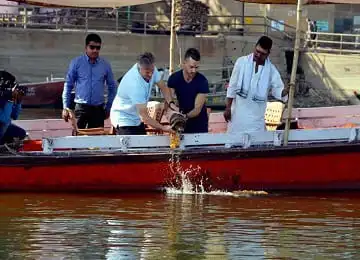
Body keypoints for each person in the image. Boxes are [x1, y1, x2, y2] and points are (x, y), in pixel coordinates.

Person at [224, 36, 289, 134]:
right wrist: (228, 108)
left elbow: (278, 91)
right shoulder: (241, 62)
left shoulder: (271, 70)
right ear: (255, 47)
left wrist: (287, 90)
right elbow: (232, 86)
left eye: (262, 54)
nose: (258, 55)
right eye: (257, 51)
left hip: (256, 121)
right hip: (237, 117)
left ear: (268, 54)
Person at [110, 52, 178, 135]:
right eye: (147, 72)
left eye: (152, 71)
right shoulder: (135, 84)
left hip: (136, 118)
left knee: (144, 144)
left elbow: (163, 87)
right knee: (134, 146)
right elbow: (145, 117)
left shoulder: (151, 68)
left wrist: (171, 103)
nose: (150, 75)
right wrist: (165, 128)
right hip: (123, 119)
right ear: (139, 68)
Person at [62, 33, 117, 129]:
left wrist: (109, 107)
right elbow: (68, 85)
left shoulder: (105, 65)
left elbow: (112, 87)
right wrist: (66, 107)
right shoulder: (76, 63)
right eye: (92, 47)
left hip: (98, 109)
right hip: (81, 108)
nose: (95, 50)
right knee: (77, 140)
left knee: (97, 142)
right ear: (86, 47)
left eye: (98, 48)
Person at [167, 48, 210, 133]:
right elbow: (168, 100)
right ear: (184, 63)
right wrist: (172, 110)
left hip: (199, 124)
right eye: (191, 67)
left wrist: (184, 116)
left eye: (196, 67)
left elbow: (197, 109)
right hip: (179, 123)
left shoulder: (202, 81)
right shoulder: (174, 78)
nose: (194, 70)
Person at [0, 71, 27, 145]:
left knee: (21, 133)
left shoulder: (6, 96)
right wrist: (10, 99)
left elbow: (15, 116)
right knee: (3, 124)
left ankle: (3, 145)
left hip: (4, 127)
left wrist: (18, 101)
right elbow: (4, 120)